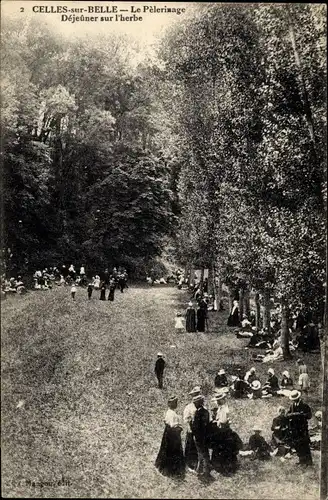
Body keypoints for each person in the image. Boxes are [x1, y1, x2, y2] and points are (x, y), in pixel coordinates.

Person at [155, 396, 185, 478]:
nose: (175, 404)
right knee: (172, 450)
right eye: (174, 403)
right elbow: (173, 426)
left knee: (166, 449)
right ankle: (171, 469)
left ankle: (164, 466)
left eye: (176, 402)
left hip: (168, 433)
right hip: (173, 435)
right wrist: (180, 428)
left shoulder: (169, 412)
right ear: (170, 404)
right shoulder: (172, 414)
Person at [287, 390, 313, 466]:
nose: (294, 400)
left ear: (298, 398)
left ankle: (308, 462)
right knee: (297, 445)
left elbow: (309, 415)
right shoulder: (292, 406)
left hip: (302, 428)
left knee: (304, 444)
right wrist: (291, 415)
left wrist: (301, 415)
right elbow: (288, 414)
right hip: (295, 428)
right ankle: (301, 460)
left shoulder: (304, 405)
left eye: (295, 399)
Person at [191, 395, 211, 479]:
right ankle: (201, 469)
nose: (194, 404)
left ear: (198, 403)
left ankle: (204, 471)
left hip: (199, 437)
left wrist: (191, 424)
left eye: (195, 403)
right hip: (205, 436)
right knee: (204, 453)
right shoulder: (206, 412)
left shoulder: (198, 413)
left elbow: (196, 427)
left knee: (201, 453)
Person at [183, 386, 201, 471]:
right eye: (195, 394)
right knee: (191, 445)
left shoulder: (201, 406)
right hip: (191, 429)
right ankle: (190, 463)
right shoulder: (189, 407)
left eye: (198, 394)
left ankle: (199, 462)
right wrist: (189, 429)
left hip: (199, 429)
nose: (197, 396)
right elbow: (186, 419)